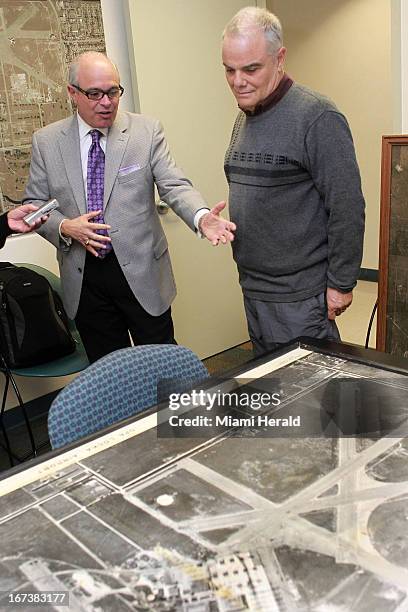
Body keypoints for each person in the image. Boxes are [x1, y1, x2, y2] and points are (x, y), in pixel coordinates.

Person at [23, 51, 235, 363]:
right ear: (72, 93)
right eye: (94, 94)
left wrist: (201, 217)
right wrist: (64, 227)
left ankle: (170, 415)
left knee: (164, 367)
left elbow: (174, 184)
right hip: (85, 280)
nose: (106, 102)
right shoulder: (47, 142)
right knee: (112, 375)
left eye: (113, 91)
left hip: (142, 272)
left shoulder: (145, 132)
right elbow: (34, 206)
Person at [222, 7, 365, 356]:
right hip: (255, 290)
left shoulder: (317, 116)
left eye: (251, 69)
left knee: (313, 401)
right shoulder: (245, 117)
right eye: (229, 69)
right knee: (272, 392)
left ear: (279, 58)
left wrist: (341, 284)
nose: (238, 80)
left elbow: (347, 206)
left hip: (301, 297)